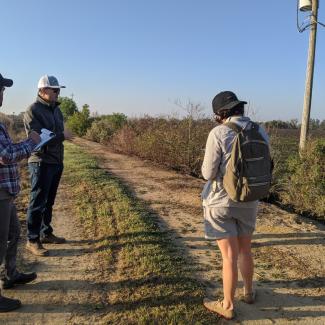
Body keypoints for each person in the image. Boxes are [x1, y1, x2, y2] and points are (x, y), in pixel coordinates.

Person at [201, 91, 270, 320]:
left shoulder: (218, 133)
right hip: (249, 199)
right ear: (239, 108)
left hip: (221, 201)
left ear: (221, 113)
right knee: (245, 250)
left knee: (229, 256)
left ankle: (228, 305)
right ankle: (249, 292)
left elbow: (208, 173)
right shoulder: (259, 131)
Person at [0, 73, 41, 312]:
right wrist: (32, 142)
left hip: (5, 192)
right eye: (1, 89)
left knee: (13, 233)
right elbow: (5, 156)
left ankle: (10, 274)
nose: (3, 93)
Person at [24, 75, 73, 257]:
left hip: (56, 161)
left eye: (58, 90)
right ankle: (32, 240)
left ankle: (46, 232)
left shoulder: (56, 110)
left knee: (49, 201)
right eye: (55, 90)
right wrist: (62, 136)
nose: (58, 93)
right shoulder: (33, 110)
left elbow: (56, 132)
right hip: (41, 161)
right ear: (43, 91)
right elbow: (37, 139)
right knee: (37, 202)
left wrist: (60, 136)